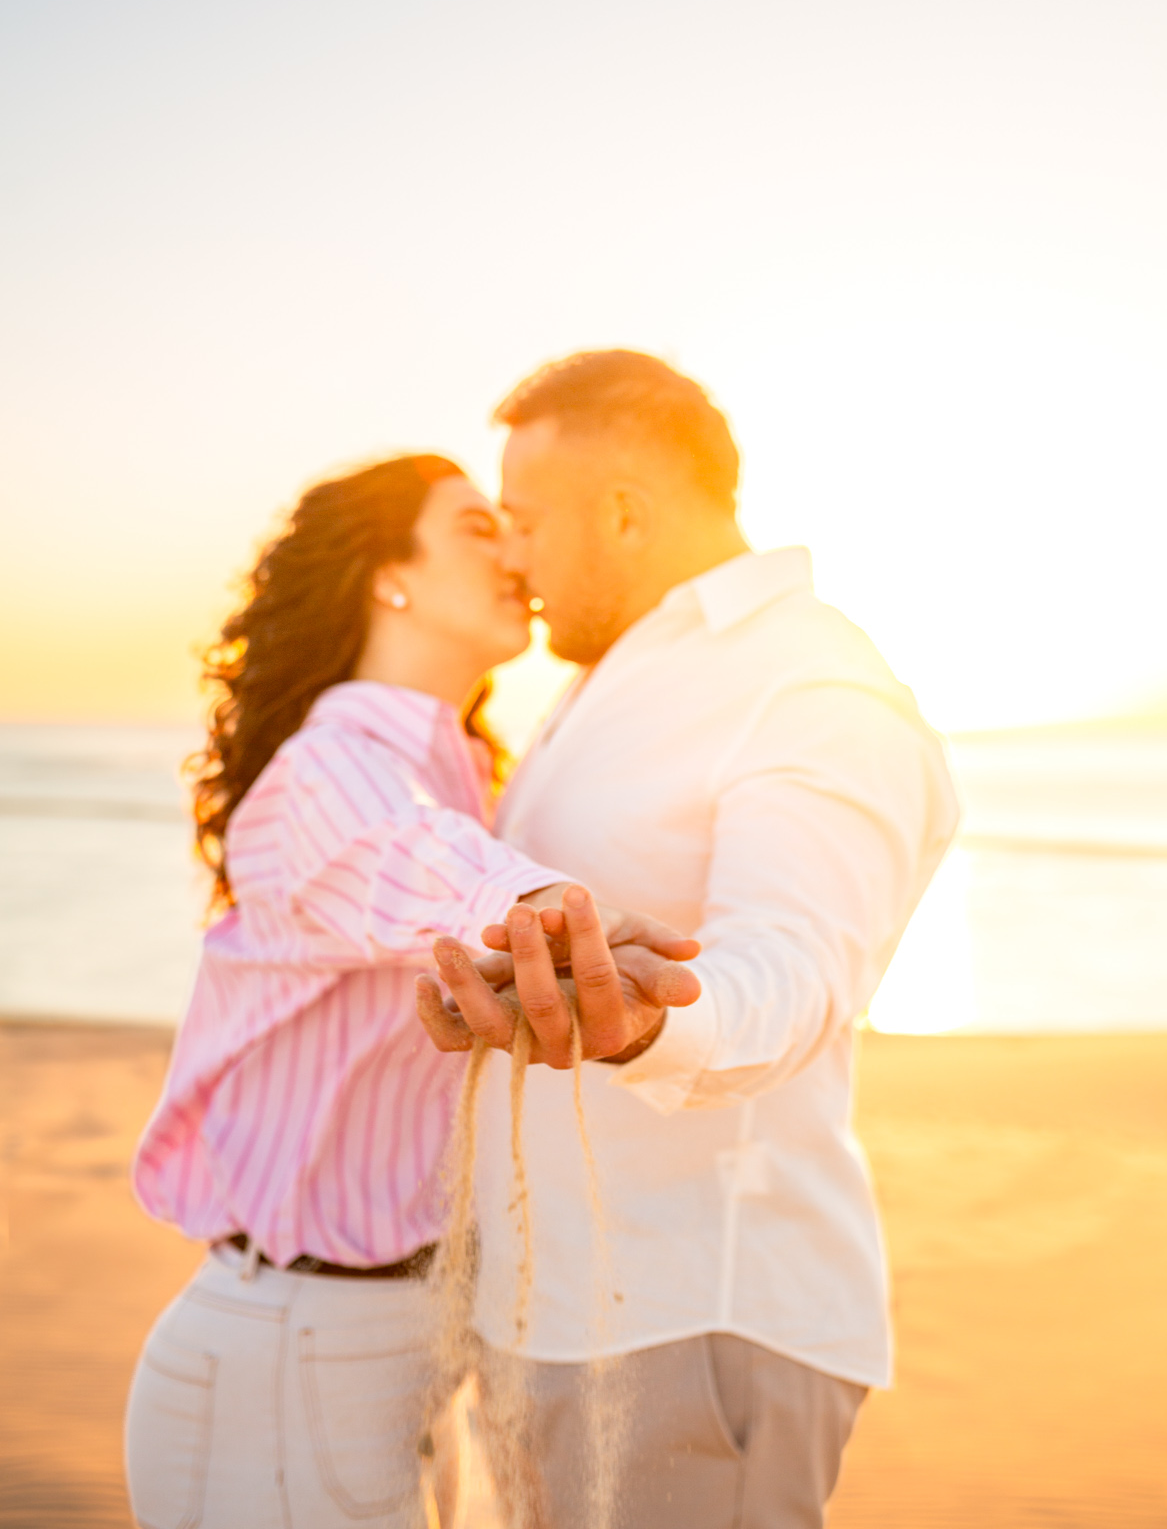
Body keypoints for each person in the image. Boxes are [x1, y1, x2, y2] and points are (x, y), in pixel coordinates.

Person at [417, 350, 961, 1529]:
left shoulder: (807, 679)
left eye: (525, 519)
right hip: (554, 1313)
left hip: (688, 1321)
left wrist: (643, 1021)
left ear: (623, 511)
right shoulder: (617, 673)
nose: (511, 553)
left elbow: (795, 969)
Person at [124, 452, 699, 1529]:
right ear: (389, 574)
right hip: (288, 1361)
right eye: (476, 527)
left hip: (395, 1346)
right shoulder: (326, 769)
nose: (514, 552)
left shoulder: (468, 775)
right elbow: (402, 857)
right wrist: (549, 912)